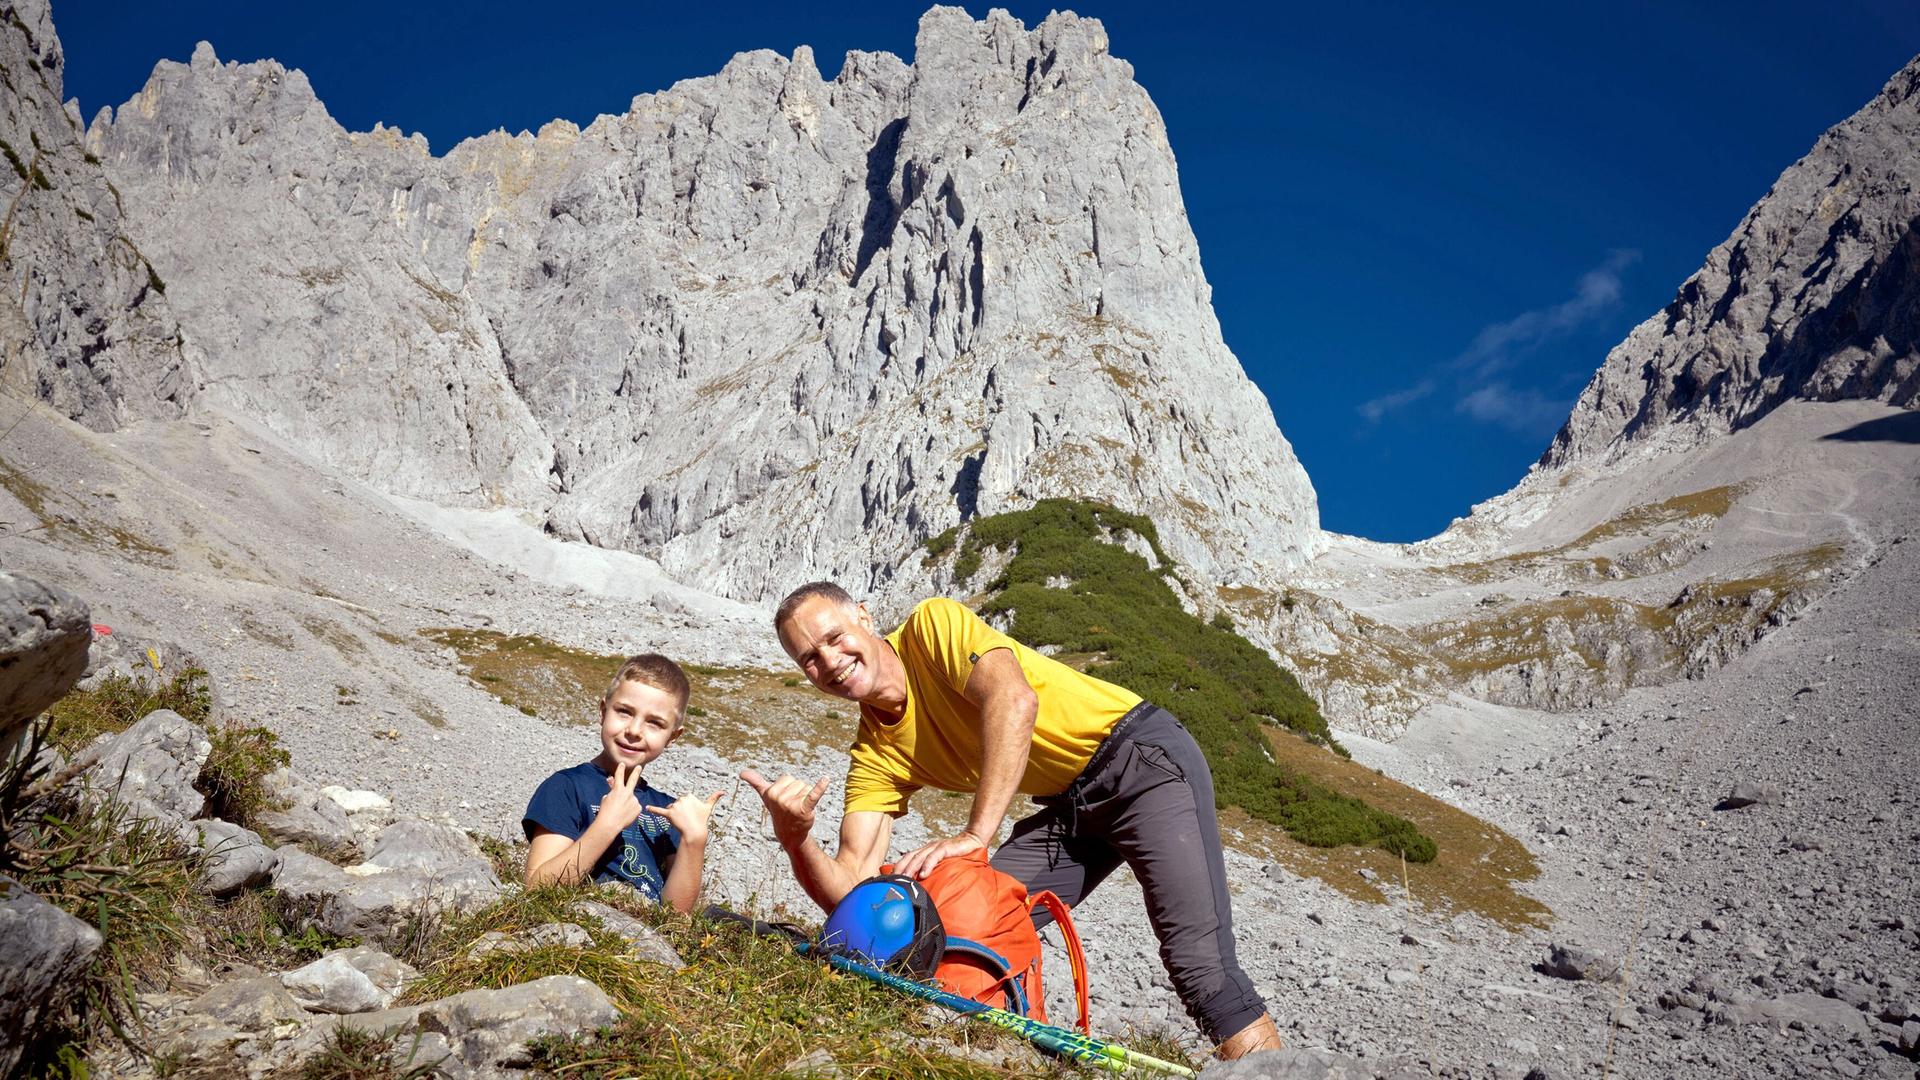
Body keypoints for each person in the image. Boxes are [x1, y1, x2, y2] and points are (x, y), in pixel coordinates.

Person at [742, 584, 1283, 1058]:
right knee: (955, 930)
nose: (829, 660)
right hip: (1070, 806)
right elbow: (854, 887)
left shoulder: (932, 627)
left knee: (1197, 965)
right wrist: (796, 841)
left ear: (863, 615)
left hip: (1140, 760)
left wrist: (977, 835)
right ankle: (991, 1056)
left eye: (833, 637)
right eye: (808, 658)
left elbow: (1013, 698)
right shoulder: (875, 752)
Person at [523, 653, 723, 913]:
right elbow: (537, 888)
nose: (634, 731)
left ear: (673, 737)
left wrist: (693, 841)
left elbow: (676, 916)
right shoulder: (566, 787)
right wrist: (608, 824)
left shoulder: (667, 810)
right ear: (603, 712)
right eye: (624, 712)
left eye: (655, 723)